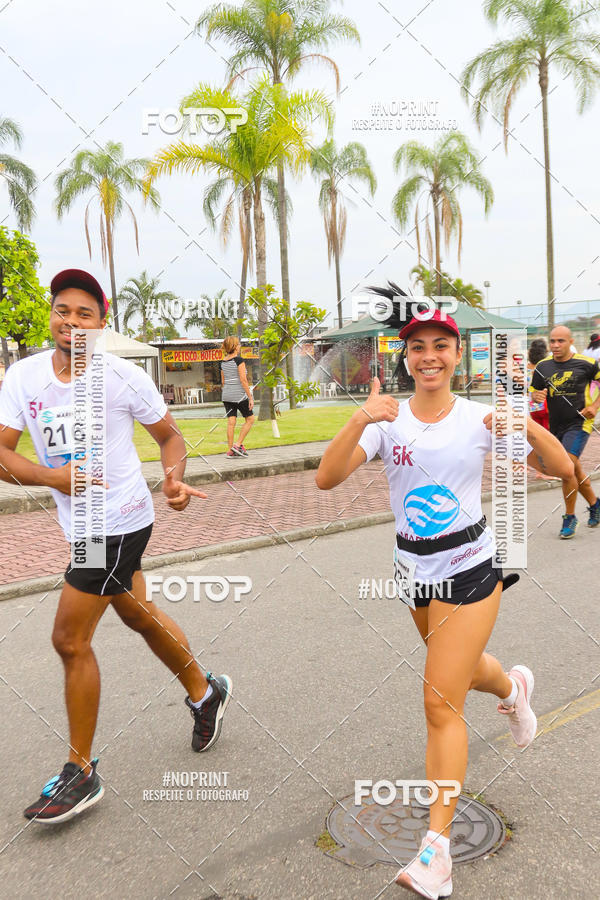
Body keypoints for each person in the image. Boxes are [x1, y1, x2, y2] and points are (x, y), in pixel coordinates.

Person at [316, 304, 573, 899]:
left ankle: (437, 854)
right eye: (417, 347)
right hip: (413, 569)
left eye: (440, 346)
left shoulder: (481, 419)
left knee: (438, 700)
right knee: (456, 672)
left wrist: (527, 426)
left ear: (458, 356)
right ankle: (512, 689)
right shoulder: (386, 420)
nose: (428, 356)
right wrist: (358, 420)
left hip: (471, 566)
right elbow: (326, 478)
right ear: (405, 359)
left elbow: (563, 467)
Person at [0, 269, 233, 824]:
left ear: (102, 323)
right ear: (51, 316)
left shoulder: (123, 377)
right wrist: (52, 478)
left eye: (85, 313)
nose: (72, 322)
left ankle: (80, 772)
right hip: (78, 525)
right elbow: (3, 453)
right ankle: (206, 693)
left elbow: (170, 438)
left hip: (120, 522)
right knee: (139, 616)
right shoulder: (23, 377)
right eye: (63, 310)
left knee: (68, 638)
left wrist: (173, 480)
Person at [531, 324, 600, 537]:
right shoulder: (542, 367)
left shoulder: (587, 363)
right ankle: (595, 505)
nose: (556, 345)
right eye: (552, 341)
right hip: (555, 426)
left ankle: (570, 518)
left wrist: (594, 406)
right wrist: (536, 396)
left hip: (580, 423)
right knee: (574, 469)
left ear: (571, 342)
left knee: (566, 467)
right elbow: (534, 390)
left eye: (561, 341)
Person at [221, 335, 255, 457]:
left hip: (226, 395)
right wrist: (250, 397)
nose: (240, 346)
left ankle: (231, 450)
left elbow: (223, 382)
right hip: (239, 395)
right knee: (250, 419)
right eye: (239, 344)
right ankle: (238, 444)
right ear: (235, 347)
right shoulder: (239, 360)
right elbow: (243, 380)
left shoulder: (223, 362)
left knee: (231, 422)